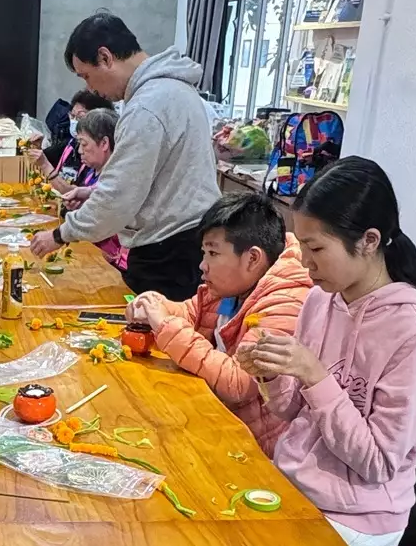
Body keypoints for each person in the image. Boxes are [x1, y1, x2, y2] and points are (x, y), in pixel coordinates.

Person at [237, 158, 416, 546]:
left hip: (357, 519)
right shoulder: (321, 300)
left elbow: (378, 464)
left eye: (317, 249)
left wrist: (315, 374)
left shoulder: (415, 332)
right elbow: (290, 410)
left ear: (369, 241)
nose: (305, 262)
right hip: (296, 486)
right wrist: (270, 371)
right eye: (302, 247)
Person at [28, 13, 221, 299]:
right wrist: (91, 192)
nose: (91, 89)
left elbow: (118, 197)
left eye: (86, 76)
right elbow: (155, 179)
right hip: (189, 241)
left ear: (105, 57)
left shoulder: (147, 106)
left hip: (169, 252)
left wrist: (59, 235)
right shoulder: (174, 89)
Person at [129, 192, 311, 451]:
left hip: (255, 446)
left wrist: (166, 326)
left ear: (252, 258)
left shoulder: (284, 301)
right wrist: (154, 307)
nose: (203, 265)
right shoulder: (231, 285)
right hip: (217, 417)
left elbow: (240, 384)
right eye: (204, 253)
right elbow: (191, 313)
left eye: (213, 253)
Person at [57, 108, 129, 274]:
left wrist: (58, 236)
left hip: (115, 264)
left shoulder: (122, 178)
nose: (79, 151)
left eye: (84, 144)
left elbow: (104, 216)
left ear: (104, 143)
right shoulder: (94, 173)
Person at [43, 89, 112, 186]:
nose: (80, 151)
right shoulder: (71, 143)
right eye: (72, 116)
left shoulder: (101, 165)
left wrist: (44, 165)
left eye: (80, 117)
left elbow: (75, 190)